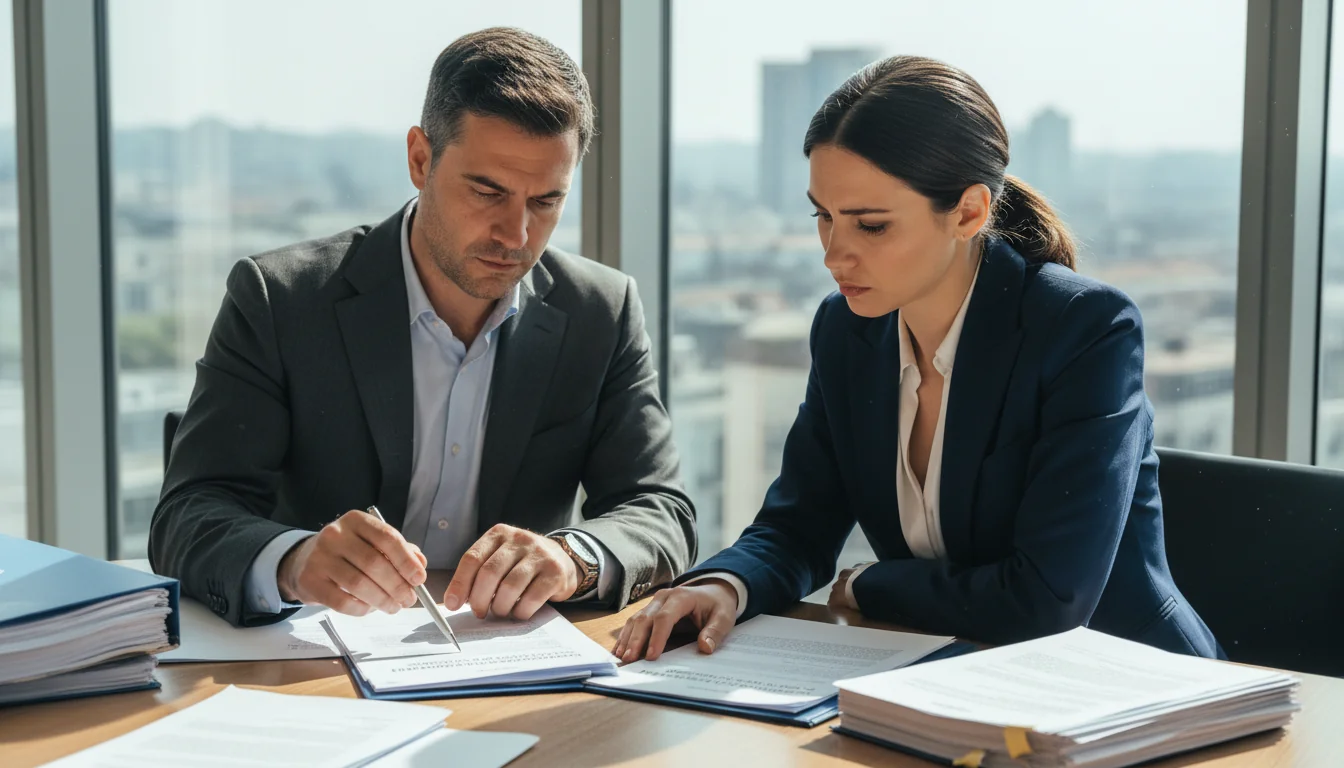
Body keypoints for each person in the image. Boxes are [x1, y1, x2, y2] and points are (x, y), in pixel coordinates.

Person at [614, 55, 1220, 661]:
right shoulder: (846, 331)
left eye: (871, 226)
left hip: (1126, 687)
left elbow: (1047, 601)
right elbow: (799, 524)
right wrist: (727, 584)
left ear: (968, 212)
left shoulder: (1082, 330)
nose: (834, 255)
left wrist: (866, 585)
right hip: (941, 678)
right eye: (823, 217)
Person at [150, 27, 696, 628]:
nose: (515, 235)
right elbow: (188, 513)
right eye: (488, 192)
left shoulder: (601, 311)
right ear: (420, 159)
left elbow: (661, 510)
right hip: (307, 668)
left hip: (504, 669)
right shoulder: (281, 299)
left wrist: (573, 558)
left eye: (545, 202)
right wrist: (294, 560)